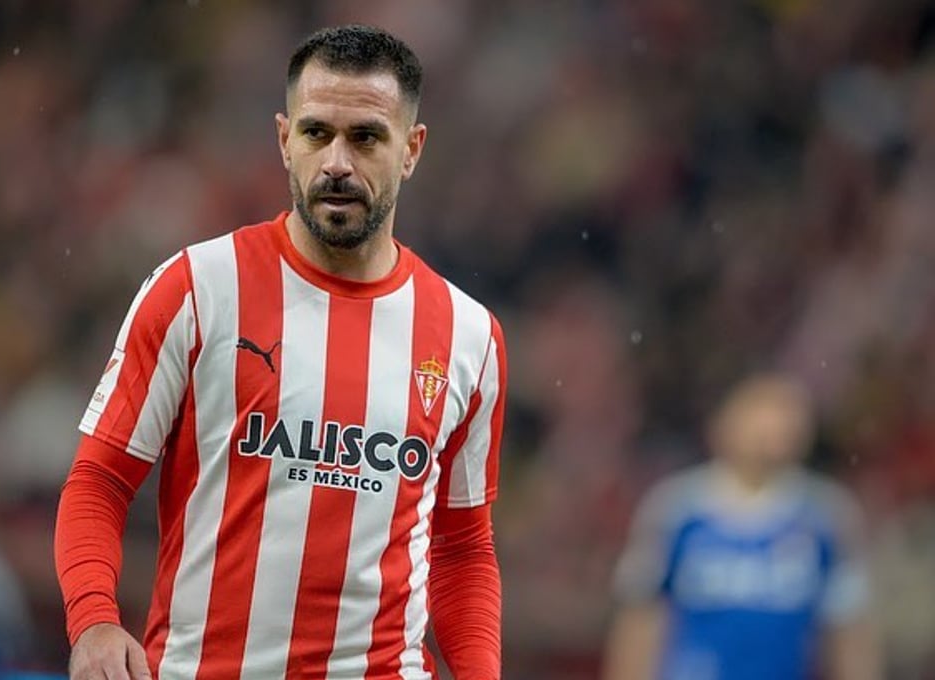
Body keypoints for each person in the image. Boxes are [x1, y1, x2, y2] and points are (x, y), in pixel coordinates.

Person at [54, 25, 506, 680]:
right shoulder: (197, 289)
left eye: (366, 138)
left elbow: (463, 547)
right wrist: (93, 619)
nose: (337, 162)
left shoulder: (469, 335)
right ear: (284, 139)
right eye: (317, 133)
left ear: (411, 150)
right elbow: (100, 479)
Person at [603, 374, 881, 680]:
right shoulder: (677, 509)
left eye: (785, 417)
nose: (771, 429)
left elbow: (848, 626)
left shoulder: (826, 514)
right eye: (759, 414)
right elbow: (641, 616)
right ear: (724, 424)